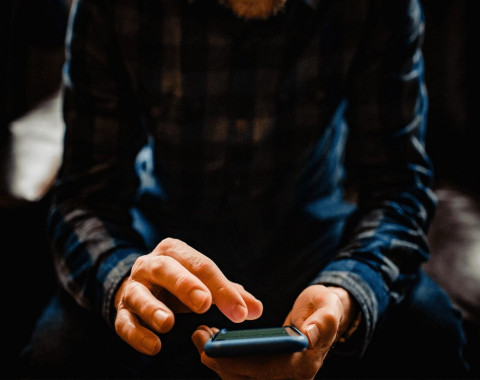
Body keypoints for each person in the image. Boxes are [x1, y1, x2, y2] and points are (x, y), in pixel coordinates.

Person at [20, 0, 471, 378]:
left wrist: (346, 295)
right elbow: (85, 196)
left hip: (313, 237)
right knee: (52, 357)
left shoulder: (381, 8)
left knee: (434, 333)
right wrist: (121, 280)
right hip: (158, 244)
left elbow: (398, 188)